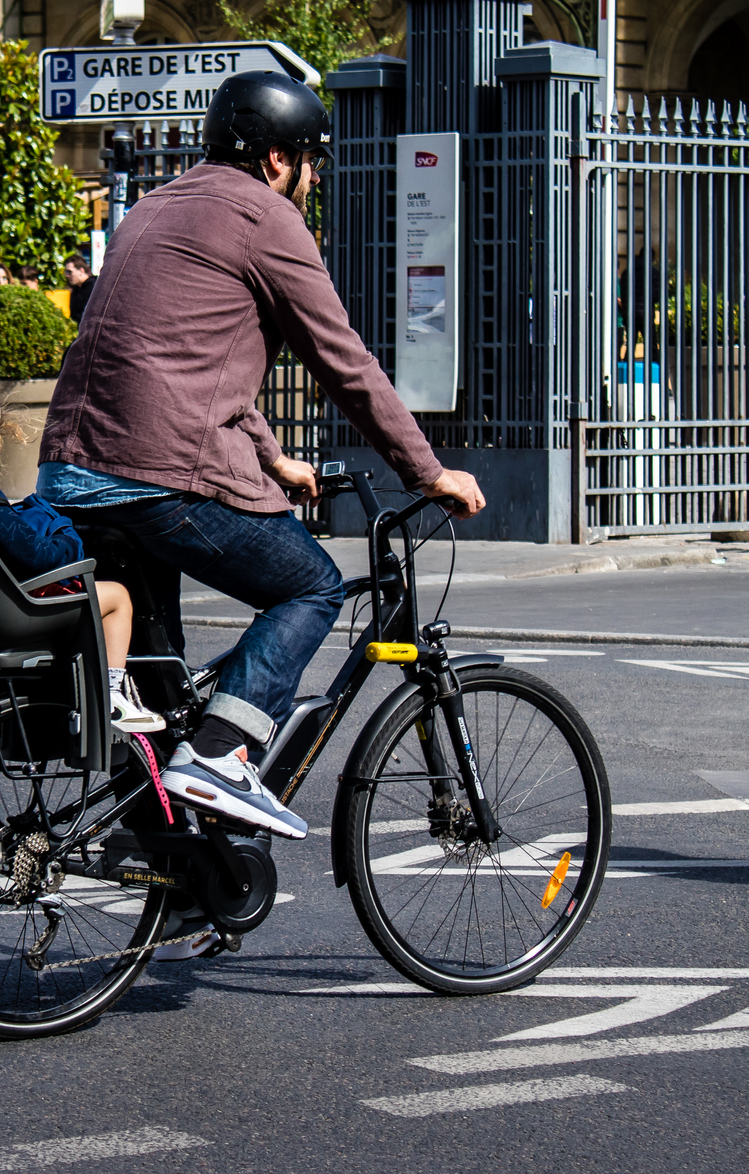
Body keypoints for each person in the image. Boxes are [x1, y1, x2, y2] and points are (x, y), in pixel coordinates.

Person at [38, 71, 484, 842]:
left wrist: (272, 460)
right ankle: (221, 754)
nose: (315, 178)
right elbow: (342, 361)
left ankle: (171, 866)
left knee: (157, 690)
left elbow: (186, 357)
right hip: (158, 475)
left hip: (73, 470)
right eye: (313, 161)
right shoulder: (266, 218)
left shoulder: (158, 204)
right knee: (310, 585)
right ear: (278, 157)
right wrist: (427, 469)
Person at [0, 362, 163, 732]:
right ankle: (111, 697)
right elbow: (36, 558)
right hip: (8, 614)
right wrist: (70, 544)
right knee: (117, 597)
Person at [62, 253, 96, 324]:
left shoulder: (94, 287)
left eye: (69, 272)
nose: (67, 275)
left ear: (81, 270)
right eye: (66, 272)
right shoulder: (76, 289)